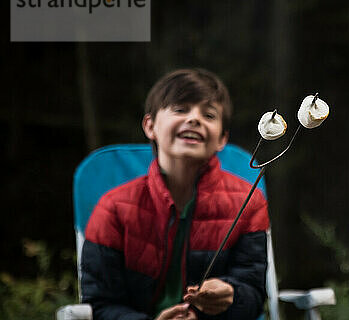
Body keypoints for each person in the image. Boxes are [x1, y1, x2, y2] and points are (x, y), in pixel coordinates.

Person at [81, 68, 270, 320]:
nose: (194, 119)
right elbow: (100, 305)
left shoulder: (249, 203)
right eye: (180, 109)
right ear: (150, 126)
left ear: (222, 139)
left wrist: (232, 295)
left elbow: (254, 299)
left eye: (209, 115)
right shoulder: (113, 207)